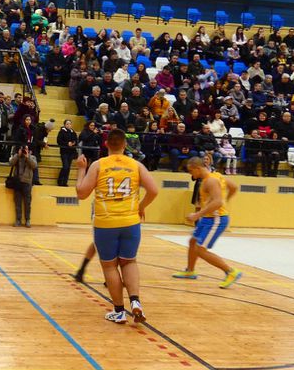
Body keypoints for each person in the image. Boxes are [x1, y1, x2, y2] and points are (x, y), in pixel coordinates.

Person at [75, 128, 160, 324]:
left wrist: (80, 169)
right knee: (129, 262)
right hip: (130, 222)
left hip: (105, 223)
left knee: (110, 266)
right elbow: (154, 190)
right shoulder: (136, 165)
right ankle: (136, 302)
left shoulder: (98, 165)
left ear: (106, 144)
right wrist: (141, 207)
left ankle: (119, 311)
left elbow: (81, 193)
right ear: (124, 145)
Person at [172, 157, 243, 288]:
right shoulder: (217, 176)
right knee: (193, 241)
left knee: (200, 250)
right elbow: (233, 187)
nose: (190, 174)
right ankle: (190, 271)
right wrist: (226, 199)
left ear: (198, 168)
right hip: (208, 218)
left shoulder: (210, 181)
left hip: (216, 219)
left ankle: (231, 272)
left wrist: (196, 215)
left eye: (191, 171)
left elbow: (218, 202)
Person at [8, 144, 38, 227]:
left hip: (27, 182)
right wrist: (18, 155)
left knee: (27, 203)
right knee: (17, 202)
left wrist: (27, 157)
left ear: (29, 150)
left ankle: (28, 220)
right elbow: (10, 163)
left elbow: (34, 166)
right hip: (17, 182)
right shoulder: (17, 157)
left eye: (26, 149)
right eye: (23, 149)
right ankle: (18, 220)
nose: (24, 151)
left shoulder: (32, 157)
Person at [56, 119, 79, 186]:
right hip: (64, 152)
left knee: (68, 167)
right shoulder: (62, 132)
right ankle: (60, 181)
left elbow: (76, 140)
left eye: (70, 124)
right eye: (67, 124)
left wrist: (74, 143)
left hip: (71, 152)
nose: (69, 125)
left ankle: (65, 182)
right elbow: (59, 141)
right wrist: (67, 143)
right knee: (65, 166)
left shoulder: (73, 132)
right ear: (64, 125)